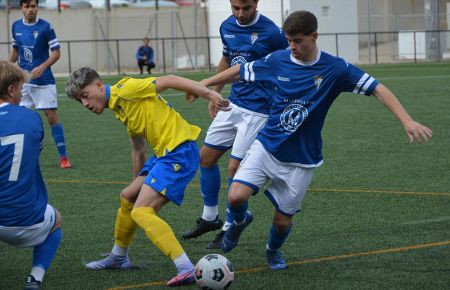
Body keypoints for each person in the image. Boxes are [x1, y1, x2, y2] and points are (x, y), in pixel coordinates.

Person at [199, 10, 433, 270]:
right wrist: (206, 85)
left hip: (302, 159)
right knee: (235, 197)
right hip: (267, 146)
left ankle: (272, 250)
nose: (293, 47)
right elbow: (239, 71)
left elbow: (377, 88)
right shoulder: (278, 60)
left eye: (298, 41)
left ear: (314, 36)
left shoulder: (336, 68)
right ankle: (238, 224)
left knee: (281, 222)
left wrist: (407, 120)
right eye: (289, 41)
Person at [65, 67, 229, 286]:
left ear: (97, 85)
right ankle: (118, 256)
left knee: (142, 211)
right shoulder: (119, 107)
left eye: (84, 96)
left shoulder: (126, 89)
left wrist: (209, 94)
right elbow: (138, 149)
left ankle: (186, 267)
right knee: (127, 197)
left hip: (178, 152)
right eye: (79, 101)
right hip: (163, 156)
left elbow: (168, 80)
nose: (85, 104)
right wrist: (137, 184)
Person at [181, 0, 289, 249]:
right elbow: (227, 60)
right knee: (205, 158)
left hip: (259, 111)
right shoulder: (226, 26)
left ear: (256, 3)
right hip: (233, 104)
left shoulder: (272, 33)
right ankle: (210, 217)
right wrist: (214, 94)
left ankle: (233, 223)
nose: (240, 13)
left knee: (234, 168)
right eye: (236, 7)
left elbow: (286, 66)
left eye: (246, 8)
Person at [0, 61, 63, 290]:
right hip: (24, 219)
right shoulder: (31, 118)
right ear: (11, 90)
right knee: (56, 219)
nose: (22, 92)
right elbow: (33, 153)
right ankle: (35, 277)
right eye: (20, 87)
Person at [8, 0, 72, 169]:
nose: (30, 10)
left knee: (51, 118)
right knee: (17, 117)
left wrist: (43, 67)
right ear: (21, 8)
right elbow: (15, 51)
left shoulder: (46, 27)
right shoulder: (15, 26)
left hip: (44, 82)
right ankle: (18, 155)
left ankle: (63, 157)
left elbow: (56, 53)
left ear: (37, 7)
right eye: (27, 6)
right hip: (24, 81)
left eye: (33, 6)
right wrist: (6, 66)